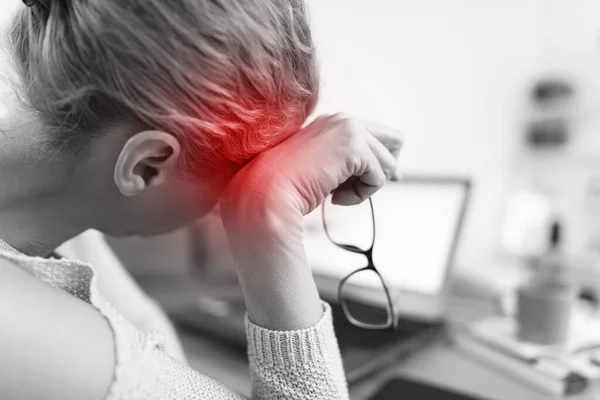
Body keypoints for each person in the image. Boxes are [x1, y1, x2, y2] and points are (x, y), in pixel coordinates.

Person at [0, 0, 403, 399]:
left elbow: (145, 323)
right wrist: (267, 214)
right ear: (147, 165)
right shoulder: (38, 337)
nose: (222, 203)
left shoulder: (49, 214)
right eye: (241, 171)